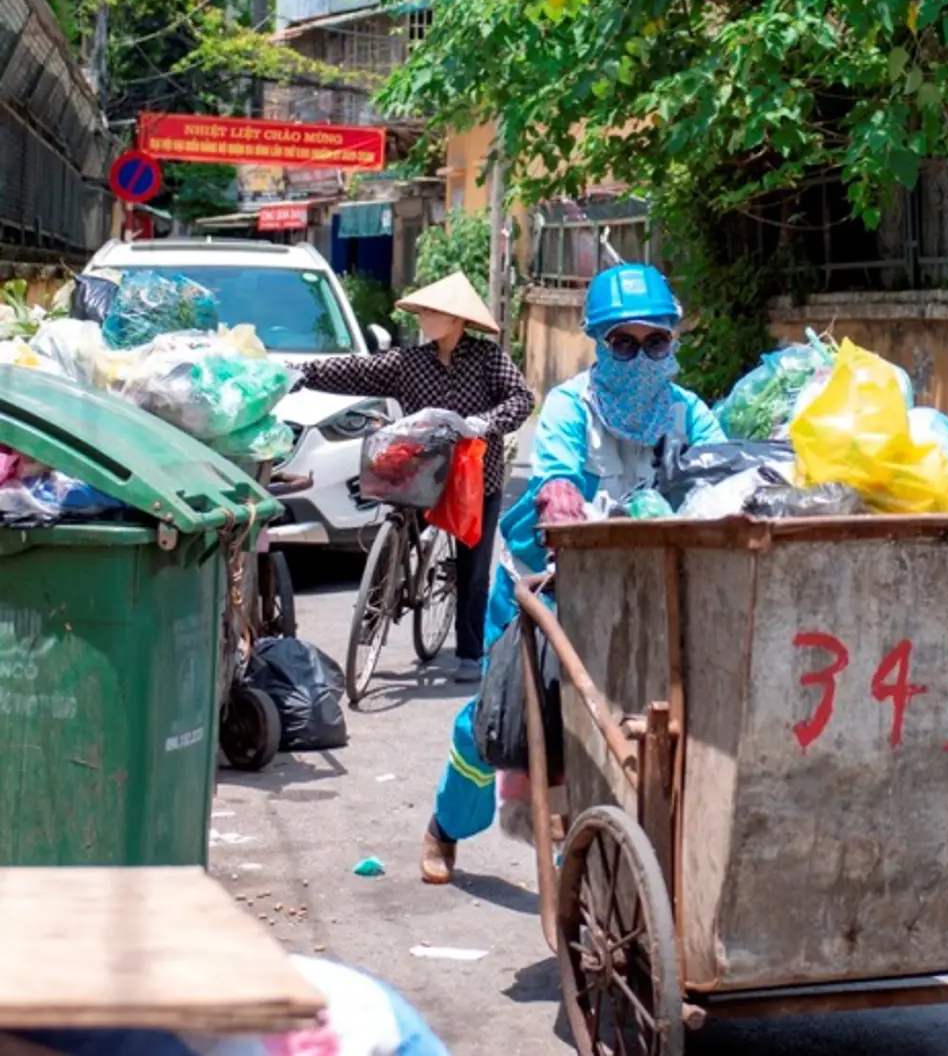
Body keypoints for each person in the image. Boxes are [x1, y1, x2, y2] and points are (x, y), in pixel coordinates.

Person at [420, 262, 726, 884]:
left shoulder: (688, 414)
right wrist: (559, 493)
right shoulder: (569, 407)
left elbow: (721, 477)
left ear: (672, 342)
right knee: (500, 723)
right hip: (549, 587)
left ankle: (588, 871)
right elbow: (557, 469)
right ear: (597, 342)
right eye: (622, 343)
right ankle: (446, 826)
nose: (639, 357)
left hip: (647, 594)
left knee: (641, 724)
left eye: (654, 342)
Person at [296, 272, 534, 683]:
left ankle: (469, 652)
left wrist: (484, 423)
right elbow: (357, 371)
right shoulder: (409, 362)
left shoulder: (488, 360)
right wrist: (305, 372)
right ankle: (369, 624)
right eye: (422, 310)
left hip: (476, 479)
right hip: (419, 475)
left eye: (432, 311)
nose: (423, 317)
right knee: (390, 540)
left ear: (457, 320)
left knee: (472, 568)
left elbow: (522, 399)